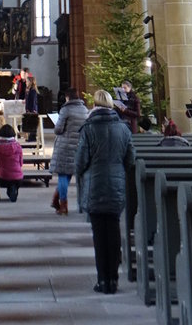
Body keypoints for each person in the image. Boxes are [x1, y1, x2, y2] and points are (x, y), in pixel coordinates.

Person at [74, 88, 134, 295]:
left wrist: (81, 174)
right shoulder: (124, 129)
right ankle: (114, 279)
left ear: (94, 105)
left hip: (95, 185)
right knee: (114, 231)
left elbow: (80, 161)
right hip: (116, 186)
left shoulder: (89, 129)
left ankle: (103, 281)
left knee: (99, 236)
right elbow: (130, 160)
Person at [49, 86, 88, 214]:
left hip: (65, 146)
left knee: (62, 175)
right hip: (78, 146)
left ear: (68, 97)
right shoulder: (84, 110)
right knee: (68, 174)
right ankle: (55, 200)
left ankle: (63, 205)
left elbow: (58, 129)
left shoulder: (66, 110)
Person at [0, 123, 24, 201]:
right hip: (18, 178)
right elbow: (21, 163)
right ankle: (13, 189)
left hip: (3, 178)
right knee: (13, 175)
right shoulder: (18, 146)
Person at [22, 72, 39, 142]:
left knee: (32, 124)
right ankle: (30, 137)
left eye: (27, 82)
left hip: (32, 109)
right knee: (29, 124)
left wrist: (31, 109)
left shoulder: (33, 90)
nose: (26, 83)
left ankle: (33, 138)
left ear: (30, 82)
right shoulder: (28, 90)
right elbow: (28, 99)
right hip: (29, 109)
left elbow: (33, 101)